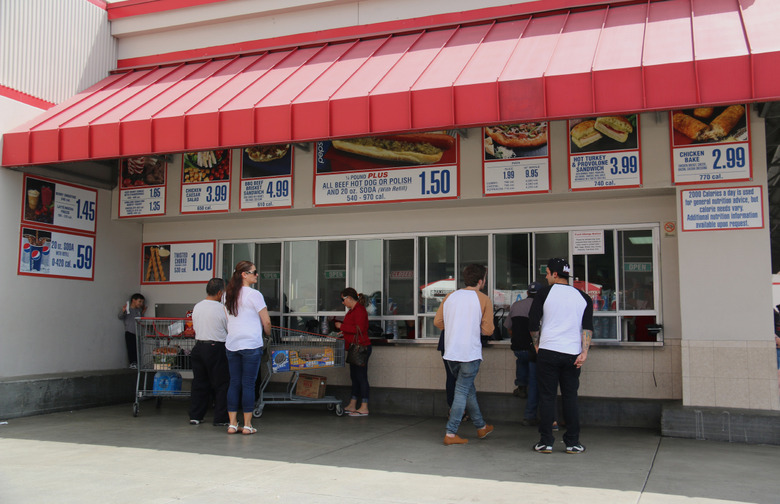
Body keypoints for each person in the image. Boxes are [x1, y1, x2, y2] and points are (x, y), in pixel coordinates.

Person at [529, 258, 593, 454]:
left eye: (547, 273)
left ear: (555, 274)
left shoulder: (544, 293)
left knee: (547, 396)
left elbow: (532, 323)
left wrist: (537, 345)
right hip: (572, 354)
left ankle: (546, 442)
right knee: (570, 397)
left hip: (548, 351)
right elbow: (587, 327)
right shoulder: (583, 297)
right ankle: (573, 442)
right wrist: (584, 352)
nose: (546, 277)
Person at [434, 264, 495, 445]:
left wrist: (455, 328)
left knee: (467, 390)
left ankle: (481, 427)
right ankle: (451, 433)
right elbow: (488, 330)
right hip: (469, 353)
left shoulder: (450, 296)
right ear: (480, 280)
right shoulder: (484, 299)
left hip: (450, 352)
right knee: (462, 391)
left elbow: (438, 321)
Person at [224, 261, 272, 435]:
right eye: (254, 272)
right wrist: (267, 334)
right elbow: (266, 321)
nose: (257, 275)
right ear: (244, 274)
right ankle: (247, 425)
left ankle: (231, 424)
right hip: (251, 343)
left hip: (232, 343)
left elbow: (227, 319)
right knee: (248, 384)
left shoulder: (227, 295)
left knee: (234, 382)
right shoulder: (255, 294)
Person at [189, 278, 230, 426]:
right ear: (220, 293)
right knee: (222, 384)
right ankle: (221, 418)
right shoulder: (222, 308)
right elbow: (229, 328)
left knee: (199, 382)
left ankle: (195, 416)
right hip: (216, 348)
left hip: (198, 347)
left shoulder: (198, 306)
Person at [505, 281, 545, 426]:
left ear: (527, 293)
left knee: (521, 359)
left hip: (518, 347)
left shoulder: (516, 305)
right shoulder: (542, 306)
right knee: (534, 382)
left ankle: (521, 384)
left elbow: (508, 328)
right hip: (534, 351)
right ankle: (529, 416)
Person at [335, 288, 371, 416]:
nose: (342, 303)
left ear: (349, 298)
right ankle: (353, 403)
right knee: (354, 377)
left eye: (343, 300)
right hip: (353, 347)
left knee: (361, 377)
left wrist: (342, 327)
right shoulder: (353, 311)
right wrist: (343, 332)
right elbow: (354, 328)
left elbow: (359, 328)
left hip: (360, 348)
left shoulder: (359, 310)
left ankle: (364, 406)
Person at [118, 293, 145, 369]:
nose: (141, 304)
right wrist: (123, 311)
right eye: (139, 301)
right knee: (131, 348)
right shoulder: (128, 309)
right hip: (130, 332)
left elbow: (140, 319)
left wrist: (142, 313)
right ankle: (132, 363)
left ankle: (137, 362)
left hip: (137, 332)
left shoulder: (139, 310)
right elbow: (120, 316)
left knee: (137, 348)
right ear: (133, 300)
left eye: (142, 302)